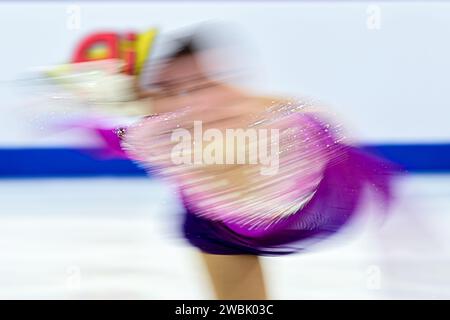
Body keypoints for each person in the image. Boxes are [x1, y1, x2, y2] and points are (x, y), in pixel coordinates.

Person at [119, 31, 398, 300]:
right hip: (220, 229)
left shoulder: (283, 117)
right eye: (170, 90)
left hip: (306, 213)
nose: (192, 101)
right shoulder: (153, 132)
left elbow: (346, 154)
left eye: (204, 84)